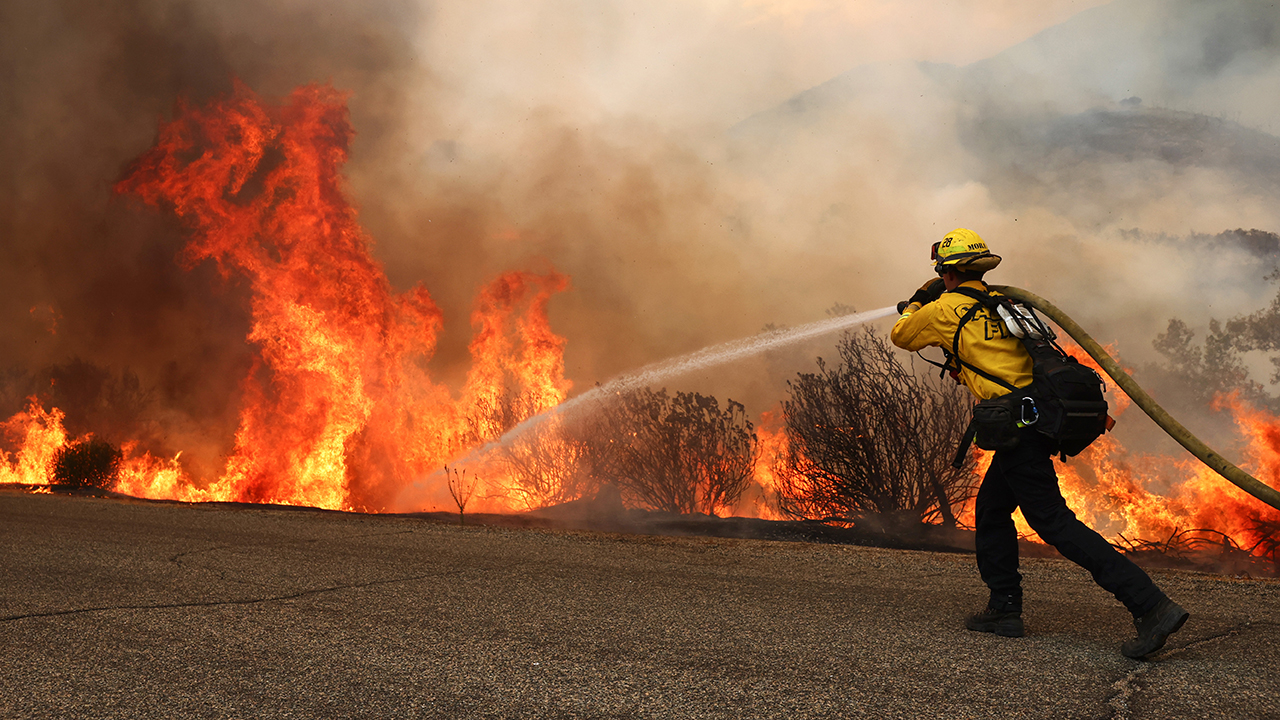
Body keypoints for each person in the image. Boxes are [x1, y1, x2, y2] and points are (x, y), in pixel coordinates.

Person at [889, 228, 1189, 659]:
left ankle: (1150, 605)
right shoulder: (1005, 304)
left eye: (942, 272)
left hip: (1019, 427)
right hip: (1039, 416)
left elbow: (902, 335)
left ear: (947, 272)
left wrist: (919, 300)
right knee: (992, 509)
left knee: (1053, 523)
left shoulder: (945, 308)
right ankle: (1004, 608)